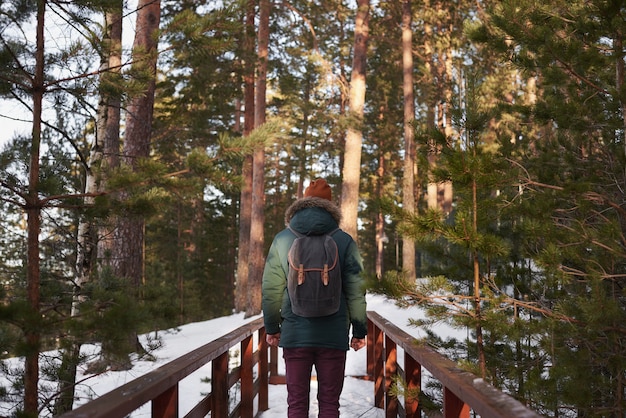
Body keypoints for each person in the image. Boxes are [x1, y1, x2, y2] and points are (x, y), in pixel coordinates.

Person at [262, 178, 367, 418]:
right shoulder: (344, 241)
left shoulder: (283, 239)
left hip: (295, 334)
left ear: (302, 204)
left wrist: (272, 328)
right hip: (333, 336)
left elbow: (271, 288)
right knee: (329, 403)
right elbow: (356, 290)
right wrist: (359, 331)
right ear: (330, 208)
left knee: (297, 405)